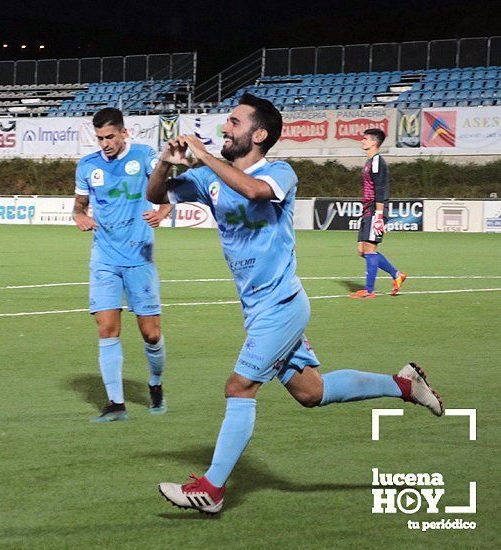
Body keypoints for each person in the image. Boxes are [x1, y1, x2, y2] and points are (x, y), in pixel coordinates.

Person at [147, 94, 443, 514]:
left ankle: (211, 490)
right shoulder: (211, 178)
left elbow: (254, 191)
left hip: (282, 305)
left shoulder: (279, 172)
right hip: (259, 309)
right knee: (311, 392)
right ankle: (403, 384)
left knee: (239, 387)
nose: (224, 128)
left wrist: (202, 154)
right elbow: (155, 193)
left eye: (233, 122)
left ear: (259, 133)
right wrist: (165, 161)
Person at [74, 107, 173, 422]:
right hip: (104, 258)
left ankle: (155, 385)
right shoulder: (87, 166)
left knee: (151, 334)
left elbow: (168, 193)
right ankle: (116, 404)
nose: (104, 143)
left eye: (110, 136)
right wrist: (81, 218)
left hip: (139, 256)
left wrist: (162, 212)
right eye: (100, 138)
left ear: (124, 133)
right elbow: (78, 207)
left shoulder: (144, 157)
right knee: (106, 327)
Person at [349, 128, 406, 298]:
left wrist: (379, 216)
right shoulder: (369, 161)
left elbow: (380, 189)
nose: (362, 141)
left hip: (375, 210)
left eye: (365, 139)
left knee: (370, 250)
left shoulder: (377, 162)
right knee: (362, 250)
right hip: (368, 209)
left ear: (374, 142)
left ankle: (369, 290)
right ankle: (397, 275)